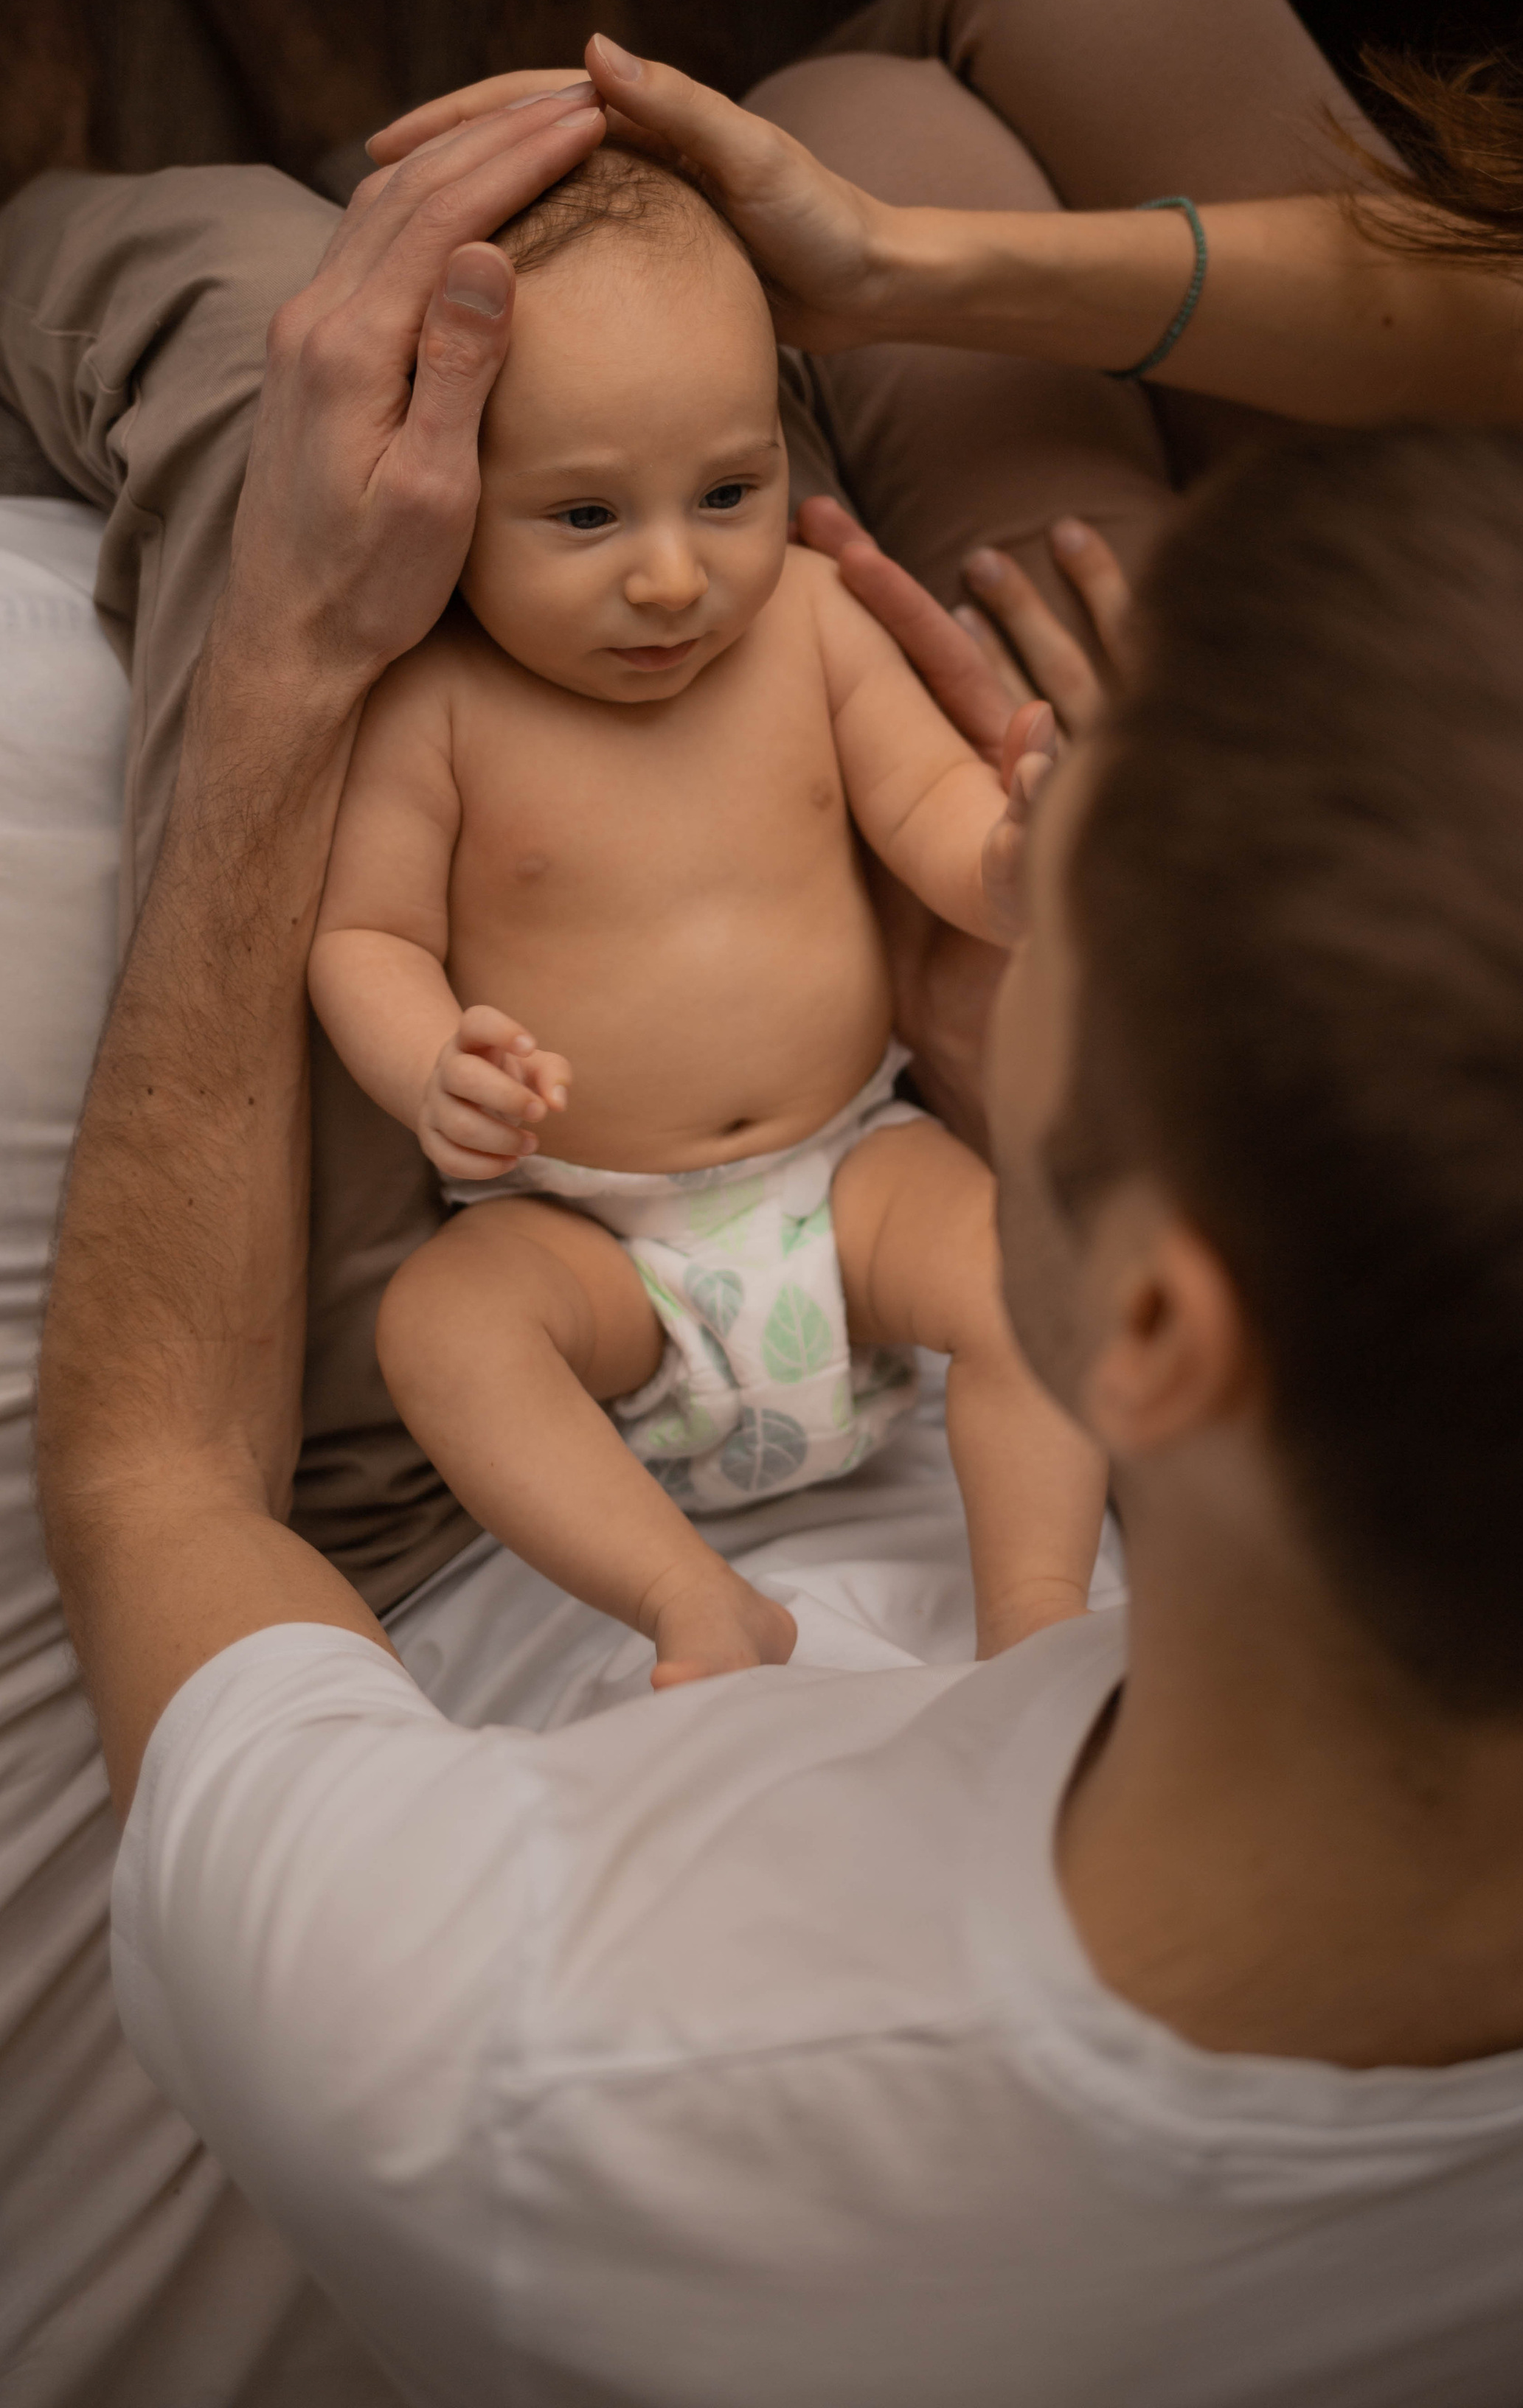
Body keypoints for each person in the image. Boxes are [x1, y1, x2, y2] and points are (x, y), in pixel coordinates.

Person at [28, 74, 1523, 2399]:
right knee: (877, 127)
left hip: (478, 1500)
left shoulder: (522, 2072)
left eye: (1049, 949)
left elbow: (151, 1479)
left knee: (247, 372)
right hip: (732, 1229)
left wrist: (280, 650)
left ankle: (51, 164)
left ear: (1160, 1325)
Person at [311, 137, 1101, 1682]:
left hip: (852, 1182)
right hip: (590, 1242)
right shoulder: (439, 708)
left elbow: (931, 815)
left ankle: (1037, 1618)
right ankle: (689, 1601)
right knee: (441, 1330)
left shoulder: (807, 627)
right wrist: (429, 1067)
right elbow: (368, 939)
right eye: (585, 518)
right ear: (456, 496)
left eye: (728, 491)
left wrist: (1011, 860)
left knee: (1038, 1262)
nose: (673, 578)